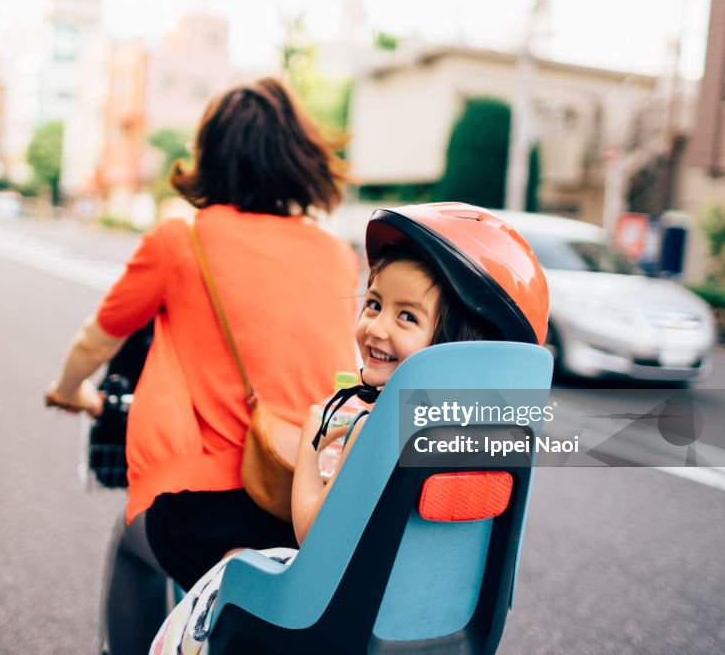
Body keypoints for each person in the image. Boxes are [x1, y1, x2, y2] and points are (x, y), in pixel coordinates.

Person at [44, 77, 360, 654]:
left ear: (210, 155)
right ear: (299, 157)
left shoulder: (179, 240)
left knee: (133, 551)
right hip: (311, 502)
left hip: (203, 501)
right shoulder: (335, 253)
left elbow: (98, 341)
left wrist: (67, 389)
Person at [149, 202, 550, 654]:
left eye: (407, 317)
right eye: (374, 304)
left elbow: (311, 534)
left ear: (458, 341)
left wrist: (308, 443)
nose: (375, 328)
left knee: (235, 565)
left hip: (330, 623)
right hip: (438, 631)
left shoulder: (376, 433)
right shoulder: (495, 440)